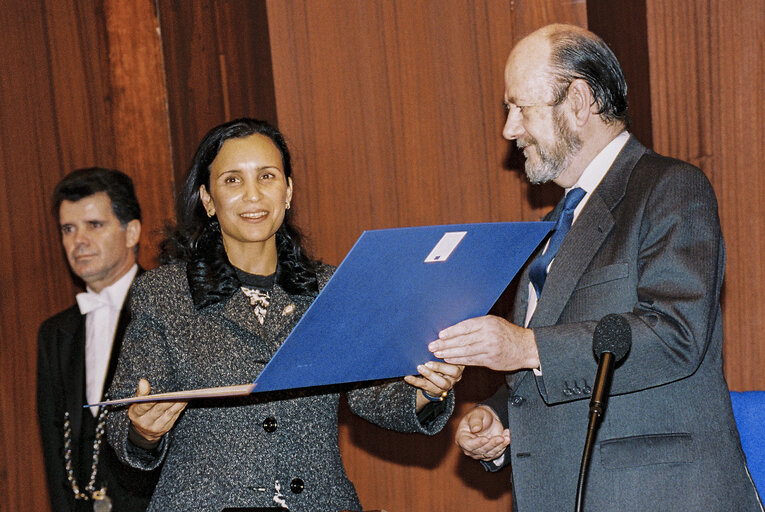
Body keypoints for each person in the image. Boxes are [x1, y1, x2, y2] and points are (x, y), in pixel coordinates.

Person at [428, 24, 763, 511]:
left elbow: (675, 335)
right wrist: (499, 417)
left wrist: (523, 346)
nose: (509, 129)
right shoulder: (552, 227)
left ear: (579, 101)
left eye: (520, 107)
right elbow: (554, 358)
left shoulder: (670, 188)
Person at [105, 118, 463, 512]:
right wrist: (142, 430)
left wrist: (429, 389)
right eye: (232, 181)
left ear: (288, 191)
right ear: (208, 200)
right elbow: (126, 418)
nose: (253, 195)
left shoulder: (330, 288)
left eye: (267, 176)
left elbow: (374, 396)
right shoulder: (164, 294)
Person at [36, 168, 160, 511]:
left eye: (94, 225)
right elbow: (54, 450)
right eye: (68, 229)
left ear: (131, 231)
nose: (78, 242)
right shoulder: (54, 333)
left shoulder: (167, 313)